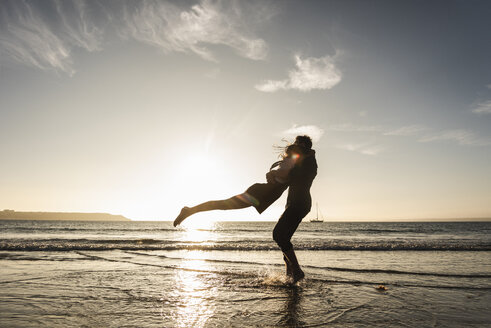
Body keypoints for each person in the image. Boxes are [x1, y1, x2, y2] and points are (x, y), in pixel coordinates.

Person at [173, 143, 301, 227]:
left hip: (260, 192)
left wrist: (272, 174)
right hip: (259, 193)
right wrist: (273, 174)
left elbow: (275, 175)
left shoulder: (288, 162)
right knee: (223, 204)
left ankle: (190, 210)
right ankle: (189, 210)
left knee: (223, 204)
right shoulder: (291, 162)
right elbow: (282, 174)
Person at [270, 135, 317, 283]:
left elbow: (293, 174)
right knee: (285, 239)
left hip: (300, 202)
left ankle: (296, 270)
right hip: (294, 202)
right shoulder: (301, 159)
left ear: (304, 145)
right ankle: (289, 275)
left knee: (278, 234)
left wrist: (277, 173)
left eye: (298, 144)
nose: (295, 145)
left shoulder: (309, 161)